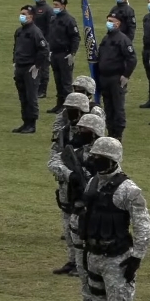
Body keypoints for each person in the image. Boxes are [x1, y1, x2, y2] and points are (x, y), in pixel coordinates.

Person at [78, 137, 150, 301]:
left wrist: (137, 258)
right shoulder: (93, 183)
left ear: (111, 160)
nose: (93, 160)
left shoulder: (128, 189)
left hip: (117, 261)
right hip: (95, 258)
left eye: (99, 157)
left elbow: (144, 227)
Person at [62, 113, 106, 301]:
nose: (79, 132)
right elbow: (56, 160)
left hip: (96, 218)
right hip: (77, 212)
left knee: (94, 264)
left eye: (84, 129)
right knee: (81, 263)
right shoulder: (76, 152)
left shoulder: (105, 156)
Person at [48, 93, 92, 276]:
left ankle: (84, 264)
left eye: (74, 110)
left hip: (87, 188)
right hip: (67, 186)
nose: (70, 114)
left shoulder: (93, 132)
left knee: (83, 228)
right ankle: (72, 260)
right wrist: (68, 174)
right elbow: (53, 160)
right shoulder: (64, 132)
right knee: (68, 227)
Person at [98, 13, 137, 141]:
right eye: (107, 20)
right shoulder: (106, 38)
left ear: (118, 23)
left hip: (116, 78)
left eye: (111, 21)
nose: (108, 22)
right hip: (104, 78)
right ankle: (110, 131)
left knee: (117, 106)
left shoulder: (123, 39)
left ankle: (118, 133)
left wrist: (126, 75)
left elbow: (132, 59)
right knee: (108, 106)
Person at [12, 5, 50, 134]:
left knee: (31, 96)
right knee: (23, 96)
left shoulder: (35, 32)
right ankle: (25, 122)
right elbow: (16, 48)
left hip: (30, 68)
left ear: (31, 16)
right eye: (21, 13)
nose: (22, 16)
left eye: (24, 14)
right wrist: (14, 62)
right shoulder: (19, 31)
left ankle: (32, 124)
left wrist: (37, 66)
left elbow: (44, 50)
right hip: (20, 67)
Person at [46, 0, 80, 114]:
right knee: (57, 80)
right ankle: (59, 104)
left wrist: (72, 53)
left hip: (64, 54)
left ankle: (67, 107)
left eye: (57, 5)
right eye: (54, 5)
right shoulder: (53, 19)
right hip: (54, 54)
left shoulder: (69, 20)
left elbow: (75, 37)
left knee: (65, 82)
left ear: (63, 6)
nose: (54, 7)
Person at [32, 0, 52, 98]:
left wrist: (48, 43)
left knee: (43, 67)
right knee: (34, 66)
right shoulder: (33, 9)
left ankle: (42, 90)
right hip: (33, 42)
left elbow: (50, 28)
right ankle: (34, 87)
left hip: (44, 42)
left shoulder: (48, 10)